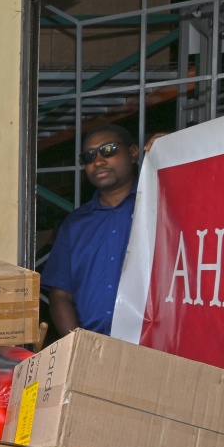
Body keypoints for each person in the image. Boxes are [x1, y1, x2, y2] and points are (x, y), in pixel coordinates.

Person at [42, 124, 141, 337]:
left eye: (109, 150)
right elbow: (60, 295)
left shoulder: (158, 207)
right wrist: (79, 347)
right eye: (89, 156)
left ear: (133, 153)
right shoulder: (75, 224)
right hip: (94, 350)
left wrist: (168, 149)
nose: (98, 161)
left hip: (152, 347)